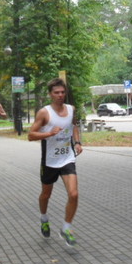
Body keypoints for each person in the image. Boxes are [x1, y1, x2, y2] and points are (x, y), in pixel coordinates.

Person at [27, 77, 83, 247]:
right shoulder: (44, 113)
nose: (60, 95)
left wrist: (77, 142)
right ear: (50, 94)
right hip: (50, 161)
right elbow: (31, 135)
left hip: (67, 158)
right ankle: (44, 218)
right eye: (56, 92)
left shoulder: (71, 109)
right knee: (46, 195)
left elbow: (73, 126)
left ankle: (66, 228)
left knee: (74, 194)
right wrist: (49, 133)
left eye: (62, 92)